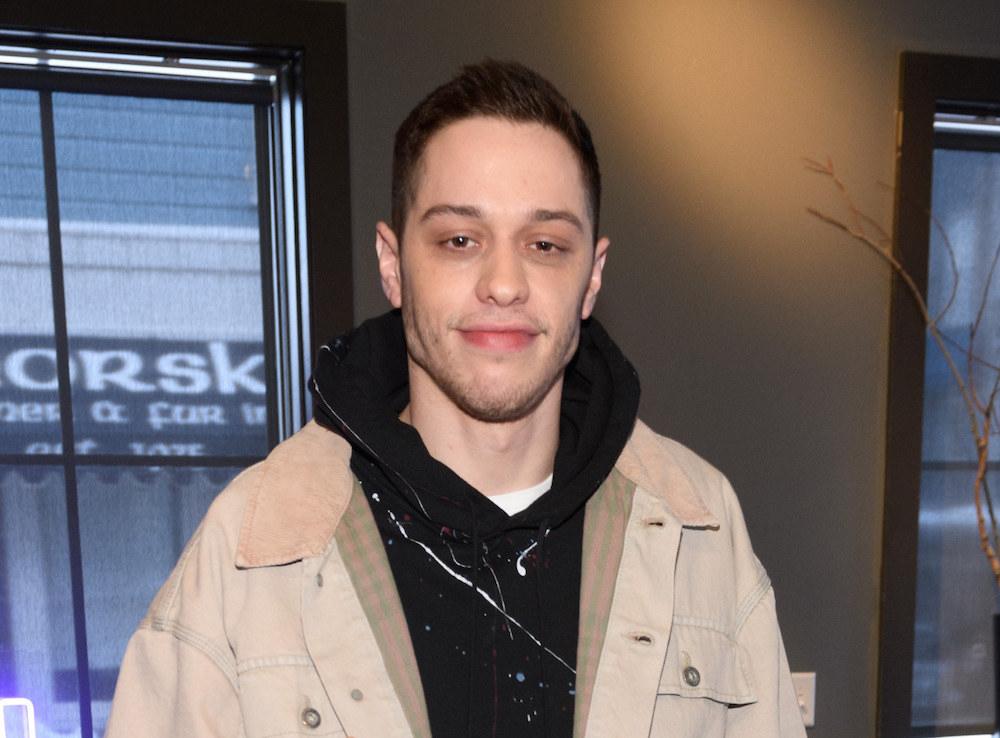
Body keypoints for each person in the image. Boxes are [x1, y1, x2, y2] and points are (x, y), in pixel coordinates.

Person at [107, 59, 806, 737]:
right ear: (393, 265)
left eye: (545, 244)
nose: (504, 283)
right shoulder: (249, 549)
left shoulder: (702, 530)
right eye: (460, 239)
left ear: (592, 277)